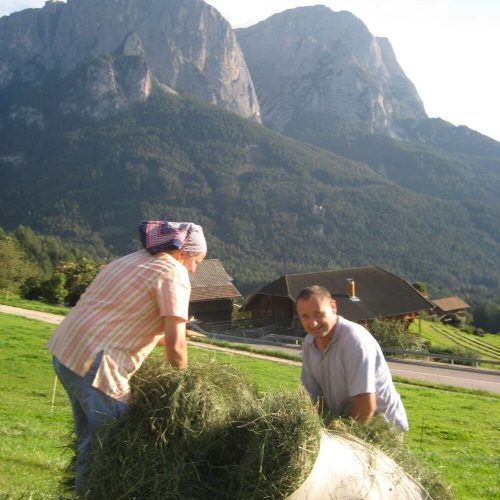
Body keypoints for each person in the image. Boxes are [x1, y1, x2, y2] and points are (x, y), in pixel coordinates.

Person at [47, 220, 207, 493]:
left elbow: (122, 317)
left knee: (90, 443)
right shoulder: (174, 273)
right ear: (183, 253)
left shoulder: (132, 260)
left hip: (67, 352)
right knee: (116, 447)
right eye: (197, 263)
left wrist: (165, 338)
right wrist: (185, 388)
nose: (194, 270)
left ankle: (84, 494)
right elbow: (176, 346)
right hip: (95, 366)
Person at [297, 285, 408, 431]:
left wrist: (341, 436)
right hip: (346, 420)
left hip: (381, 428)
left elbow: (365, 405)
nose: (313, 323)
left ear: (333, 307)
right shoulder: (309, 344)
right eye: (305, 316)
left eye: (318, 314)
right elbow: (312, 399)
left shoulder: (354, 341)